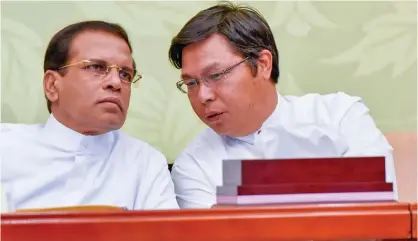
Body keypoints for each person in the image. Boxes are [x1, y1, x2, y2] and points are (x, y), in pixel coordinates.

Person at [168, 2, 397, 208]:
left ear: (263, 64)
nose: (202, 95)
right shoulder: (193, 165)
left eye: (216, 75)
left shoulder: (340, 116)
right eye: (191, 82)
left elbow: (377, 211)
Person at [0, 20, 179, 211]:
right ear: (52, 85)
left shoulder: (145, 162)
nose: (115, 82)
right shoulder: (6, 148)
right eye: (96, 67)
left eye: (125, 74)